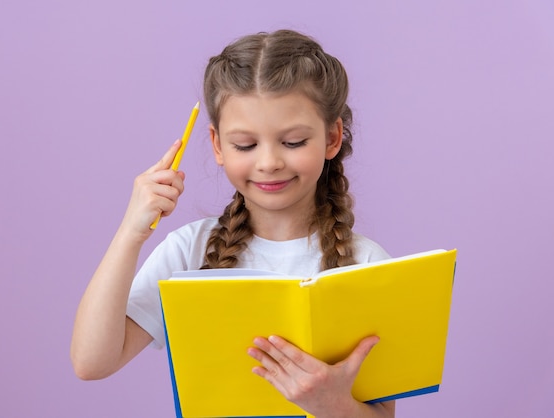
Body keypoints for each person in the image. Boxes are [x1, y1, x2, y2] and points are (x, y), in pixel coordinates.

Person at [71, 29, 395, 418]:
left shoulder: (368, 265)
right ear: (217, 145)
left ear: (331, 138)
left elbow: (382, 414)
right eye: (245, 145)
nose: (269, 162)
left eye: (292, 142)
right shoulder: (189, 251)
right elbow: (91, 362)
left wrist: (331, 404)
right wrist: (130, 233)